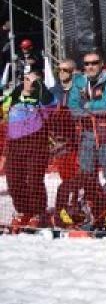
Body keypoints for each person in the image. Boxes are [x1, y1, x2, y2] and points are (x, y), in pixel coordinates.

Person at [68, 50, 106, 221]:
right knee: (87, 174)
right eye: (87, 64)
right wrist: (91, 109)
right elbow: (73, 107)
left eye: (94, 63)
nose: (90, 66)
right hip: (86, 134)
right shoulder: (79, 81)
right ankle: (93, 208)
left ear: (101, 63)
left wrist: (87, 105)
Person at [5, 70, 54, 229]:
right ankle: (23, 211)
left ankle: (38, 213)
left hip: (35, 144)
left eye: (33, 81)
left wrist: (39, 84)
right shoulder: (14, 95)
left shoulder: (42, 97)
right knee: (14, 180)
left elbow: (50, 104)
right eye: (27, 79)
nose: (29, 83)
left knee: (34, 180)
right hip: (14, 144)